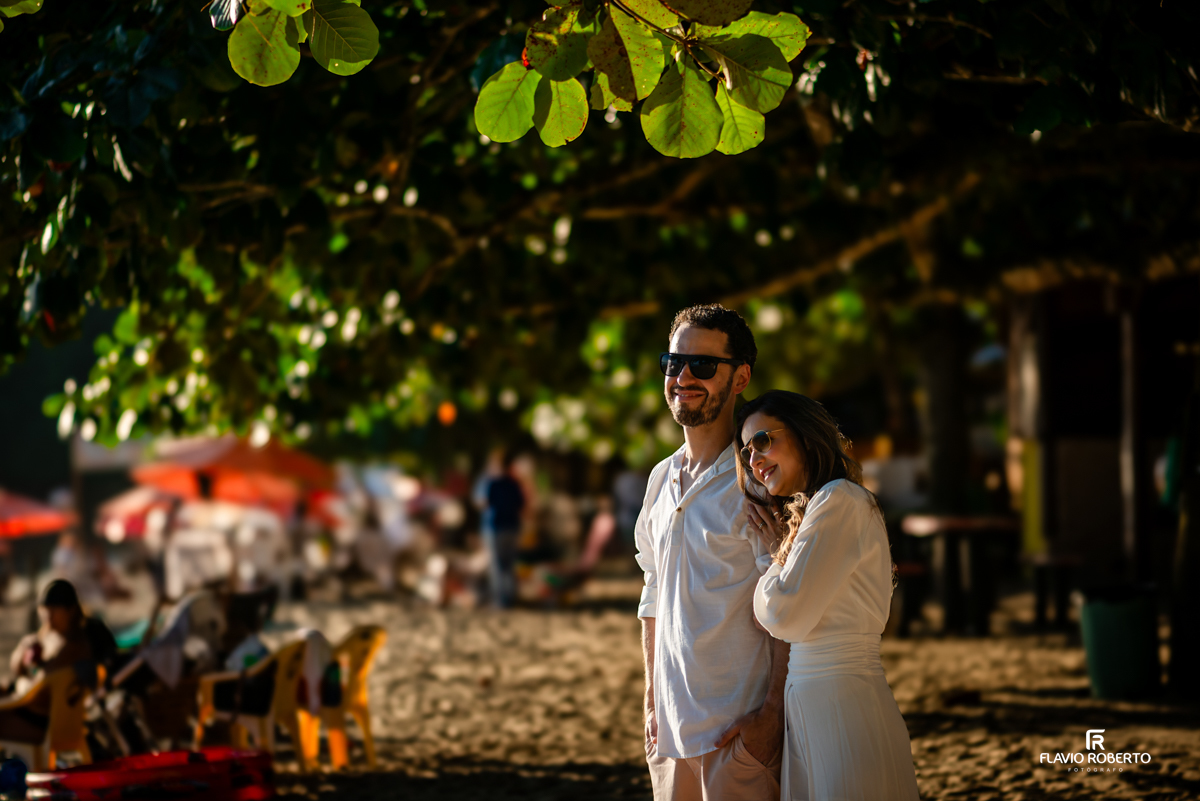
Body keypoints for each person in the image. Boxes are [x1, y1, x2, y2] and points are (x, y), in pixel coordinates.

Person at [635, 304, 788, 801]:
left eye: (703, 365)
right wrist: (651, 701)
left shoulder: (758, 482)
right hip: (669, 733)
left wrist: (770, 716)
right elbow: (652, 594)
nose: (683, 376)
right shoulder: (660, 478)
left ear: (740, 376)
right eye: (673, 362)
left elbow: (788, 602)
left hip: (738, 734)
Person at [736, 390, 920, 801]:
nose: (754, 460)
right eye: (747, 450)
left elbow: (785, 616)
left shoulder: (841, 500)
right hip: (815, 702)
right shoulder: (825, 505)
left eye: (763, 440)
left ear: (803, 434)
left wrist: (773, 560)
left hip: (842, 702)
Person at [0, 580, 116, 745]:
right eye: (44, 610)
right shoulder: (49, 635)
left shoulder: (73, 645)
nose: (48, 616)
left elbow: (35, 688)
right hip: (32, 714)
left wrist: (19, 683)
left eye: (54, 610)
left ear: (71, 610)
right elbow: (19, 672)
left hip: (44, 725)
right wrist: (22, 650)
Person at [482, 451, 525, 609]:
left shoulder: (493, 483)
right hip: (513, 526)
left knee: (497, 565)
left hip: (496, 526)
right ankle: (510, 597)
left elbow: (486, 504)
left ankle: (500, 600)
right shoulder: (515, 484)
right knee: (510, 564)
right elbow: (521, 505)